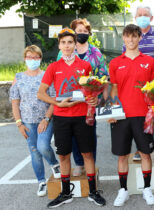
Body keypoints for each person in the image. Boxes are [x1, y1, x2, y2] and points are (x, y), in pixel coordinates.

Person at [37, 28, 106, 208]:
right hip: (61, 118)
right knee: (64, 156)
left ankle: (93, 191)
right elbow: (41, 93)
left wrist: (93, 98)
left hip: (82, 116)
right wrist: (57, 104)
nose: (67, 46)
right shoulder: (53, 67)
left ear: (75, 44)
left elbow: (91, 91)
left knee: (87, 154)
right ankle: (65, 193)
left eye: (70, 42)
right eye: (63, 43)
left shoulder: (85, 66)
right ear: (59, 45)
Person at [108, 24, 154, 207]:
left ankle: (147, 188)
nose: (130, 40)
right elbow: (113, 89)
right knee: (122, 156)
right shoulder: (114, 63)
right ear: (123, 38)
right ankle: (123, 191)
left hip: (143, 116)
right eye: (127, 36)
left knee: (145, 154)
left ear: (139, 38)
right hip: (121, 116)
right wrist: (112, 111)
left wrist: (152, 110)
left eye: (134, 36)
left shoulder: (150, 62)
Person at [57, 18, 108, 177]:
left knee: (89, 134)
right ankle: (79, 163)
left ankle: (90, 162)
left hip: (89, 102)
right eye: (79, 31)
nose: (82, 34)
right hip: (70, 101)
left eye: (85, 31)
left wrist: (100, 98)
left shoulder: (96, 53)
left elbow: (104, 76)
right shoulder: (63, 52)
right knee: (72, 136)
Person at [9, 45, 61, 197]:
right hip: (27, 122)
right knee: (34, 152)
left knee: (43, 145)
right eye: (29, 57)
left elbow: (53, 100)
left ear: (40, 58)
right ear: (25, 58)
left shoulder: (46, 75)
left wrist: (46, 118)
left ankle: (54, 164)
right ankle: (41, 182)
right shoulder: (18, 77)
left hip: (45, 119)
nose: (33, 60)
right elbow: (15, 102)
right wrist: (19, 123)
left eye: (36, 57)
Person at [123, 5, 154, 161]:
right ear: (135, 18)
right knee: (139, 117)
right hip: (136, 83)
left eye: (145, 14)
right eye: (139, 14)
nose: (142, 17)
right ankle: (141, 148)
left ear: (151, 18)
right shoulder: (129, 38)